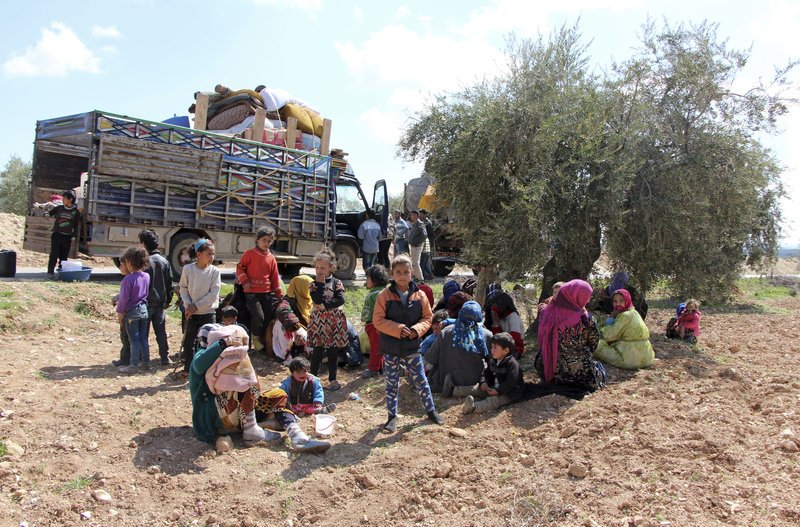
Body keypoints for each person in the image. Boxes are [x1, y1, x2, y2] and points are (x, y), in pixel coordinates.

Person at [190, 324, 330, 453]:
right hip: (217, 419)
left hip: (239, 414)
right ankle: (253, 429)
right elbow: (199, 364)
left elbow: (252, 388)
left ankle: (297, 436)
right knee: (245, 385)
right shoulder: (202, 357)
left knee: (279, 395)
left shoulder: (226, 359)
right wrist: (223, 343)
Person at [373, 254, 444, 433]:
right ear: (392, 273)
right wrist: (398, 328)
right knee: (391, 382)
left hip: (412, 346)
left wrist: (417, 330)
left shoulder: (420, 295)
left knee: (420, 379)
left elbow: (427, 317)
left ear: (412, 273)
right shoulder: (384, 295)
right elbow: (378, 320)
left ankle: (431, 411)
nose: (402, 276)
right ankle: (391, 417)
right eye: (398, 272)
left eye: (406, 272)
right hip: (391, 347)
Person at [534, 279, 606, 390]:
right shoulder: (586, 319)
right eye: (586, 296)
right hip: (577, 374)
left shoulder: (547, 312)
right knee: (598, 369)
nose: (588, 300)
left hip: (545, 368)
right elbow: (593, 345)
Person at [426, 300, 491, 397]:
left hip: (447, 377)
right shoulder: (486, 334)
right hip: (474, 380)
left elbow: (431, 358)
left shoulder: (446, 331)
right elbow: (491, 360)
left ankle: (450, 387)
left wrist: (424, 373)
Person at [177, 239, 221, 380]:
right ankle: (188, 369)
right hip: (192, 313)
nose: (212, 257)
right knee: (189, 342)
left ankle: (206, 370)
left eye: (213, 254)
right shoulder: (188, 269)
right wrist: (189, 304)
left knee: (208, 343)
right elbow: (183, 288)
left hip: (208, 313)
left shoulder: (214, 272)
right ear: (198, 254)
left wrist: (197, 305)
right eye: (209, 253)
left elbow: (213, 293)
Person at [236, 226, 283, 352]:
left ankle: (263, 342)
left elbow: (274, 277)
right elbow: (240, 268)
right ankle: (255, 338)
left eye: (269, 241)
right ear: (257, 240)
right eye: (264, 240)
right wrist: (245, 280)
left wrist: (279, 293)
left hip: (267, 292)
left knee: (268, 318)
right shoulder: (249, 254)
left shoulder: (271, 258)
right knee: (259, 317)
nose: (266, 243)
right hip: (251, 293)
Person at [307, 247, 348, 391]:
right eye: (317, 267)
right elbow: (316, 299)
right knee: (317, 350)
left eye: (323, 268)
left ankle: (332, 379)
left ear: (331, 268)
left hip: (334, 322)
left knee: (332, 351)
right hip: (319, 322)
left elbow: (340, 299)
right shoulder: (313, 285)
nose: (319, 270)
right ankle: (312, 379)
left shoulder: (337, 283)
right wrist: (319, 283)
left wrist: (325, 305)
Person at [460, 332, 525, 414]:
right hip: (493, 387)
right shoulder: (493, 360)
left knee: (493, 400)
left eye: (495, 348)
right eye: (492, 347)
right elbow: (486, 373)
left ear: (506, 350)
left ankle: (472, 408)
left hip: (509, 393)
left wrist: (498, 390)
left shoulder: (512, 364)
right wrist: (483, 382)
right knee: (476, 389)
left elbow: (510, 382)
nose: (492, 350)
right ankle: (452, 390)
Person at [138, 229, 174, 365]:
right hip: (160, 304)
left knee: (143, 333)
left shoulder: (145, 261)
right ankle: (165, 358)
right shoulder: (164, 261)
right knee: (161, 333)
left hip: (146, 303)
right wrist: (168, 301)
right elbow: (169, 283)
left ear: (143, 244)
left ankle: (144, 359)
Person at [594, 289, 654, 369]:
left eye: (621, 300)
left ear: (627, 300)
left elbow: (607, 336)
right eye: (615, 301)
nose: (618, 304)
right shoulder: (634, 312)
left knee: (596, 345)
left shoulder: (624, 316)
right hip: (647, 358)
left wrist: (611, 319)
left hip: (629, 359)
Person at [116, 246, 151, 374]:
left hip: (132, 312)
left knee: (133, 340)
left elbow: (124, 299)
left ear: (129, 262)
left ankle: (133, 364)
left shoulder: (128, 279)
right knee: (143, 338)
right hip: (144, 310)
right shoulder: (146, 276)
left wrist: (120, 312)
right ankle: (146, 362)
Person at [46, 190, 81, 277]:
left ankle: (61, 271)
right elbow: (49, 213)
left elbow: (75, 226)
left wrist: (73, 237)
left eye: (64, 198)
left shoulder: (75, 212)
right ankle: (50, 272)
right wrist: (46, 214)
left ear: (70, 199)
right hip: (57, 234)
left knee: (64, 255)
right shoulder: (59, 208)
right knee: (54, 253)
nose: (63, 200)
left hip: (67, 237)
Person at [362, 264, 388, 378]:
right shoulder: (376, 292)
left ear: (375, 280)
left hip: (375, 325)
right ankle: (381, 366)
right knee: (377, 346)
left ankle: (373, 369)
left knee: (376, 347)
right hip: (372, 325)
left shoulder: (379, 293)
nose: (366, 281)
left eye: (368, 278)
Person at [486, 292, 526, 358]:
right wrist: (495, 322)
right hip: (503, 346)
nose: (493, 308)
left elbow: (514, 340)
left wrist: (496, 324)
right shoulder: (501, 317)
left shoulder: (513, 317)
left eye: (495, 305)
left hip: (514, 349)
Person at [271, 301, 308, 365]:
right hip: (285, 327)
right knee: (284, 342)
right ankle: (281, 356)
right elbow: (284, 344)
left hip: (292, 328)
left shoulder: (300, 330)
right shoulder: (280, 326)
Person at [406, 210, 427, 282]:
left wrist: (416, 241)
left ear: (416, 216)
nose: (410, 216)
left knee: (416, 263)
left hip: (417, 246)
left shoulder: (420, 224)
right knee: (414, 263)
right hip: (413, 246)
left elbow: (424, 235)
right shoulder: (414, 224)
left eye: (412, 215)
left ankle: (421, 279)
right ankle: (416, 277)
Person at [418, 209, 435, 280]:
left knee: (427, 262)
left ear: (425, 215)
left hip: (428, 245)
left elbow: (430, 235)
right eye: (420, 214)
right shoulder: (422, 222)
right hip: (423, 244)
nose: (420, 216)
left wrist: (431, 245)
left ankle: (429, 275)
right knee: (424, 261)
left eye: (422, 214)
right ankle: (427, 275)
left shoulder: (428, 223)